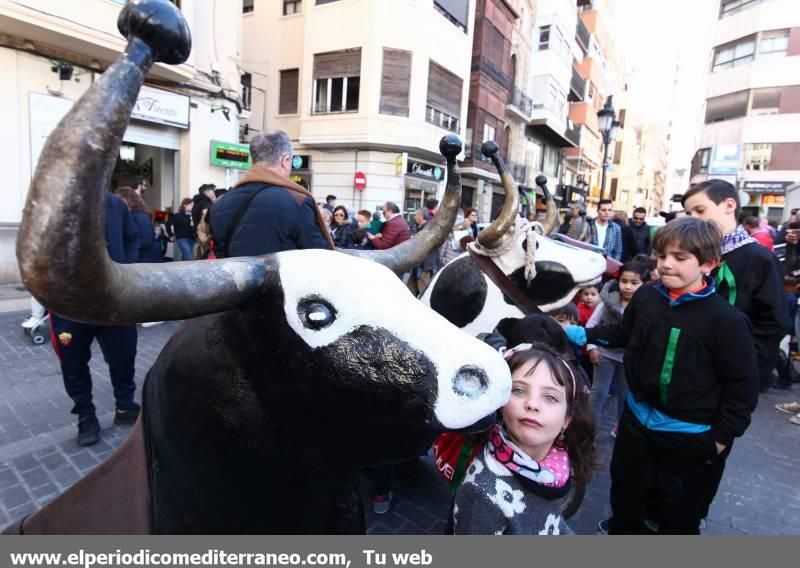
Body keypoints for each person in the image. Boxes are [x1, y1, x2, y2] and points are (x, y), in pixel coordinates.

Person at [564, 217, 759, 534]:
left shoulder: (727, 321)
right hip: (636, 425)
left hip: (690, 437)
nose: (666, 265)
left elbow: (742, 389)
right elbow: (624, 333)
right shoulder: (647, 297)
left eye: (680, 258)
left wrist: (719, 440)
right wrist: (579, 335)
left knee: (676, 518)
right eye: (663, 255)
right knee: (625, 502)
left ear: (709, 263)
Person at [450, 343, 595, 534]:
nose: (532, 404)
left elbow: (551, 521)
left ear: (566, 420)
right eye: (518, 390)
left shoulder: (555, 468)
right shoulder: (481, 492)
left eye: (550, 397)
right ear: (500, 402)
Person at [50, 192, 141, 447]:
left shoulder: (115, 204)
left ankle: (124, 406)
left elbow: (132, 237)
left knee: (124, 356)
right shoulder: (56, 202)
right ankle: (85, 416)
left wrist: (126, 269)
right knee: (74, 364)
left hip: (113, 301)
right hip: (71, 303)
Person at [682, 180, 788, 394]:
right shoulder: (693, 256)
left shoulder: (759, 259)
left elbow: (773, 323)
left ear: (729, 206)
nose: (694, 219)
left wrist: (741, 368)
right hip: (688, 369)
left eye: (700, 210)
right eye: (688, 213)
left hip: (728, 376)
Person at [209, 130, 334, 257]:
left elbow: (221, 256)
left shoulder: (219, 205)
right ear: (285, 161)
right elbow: (320, 256)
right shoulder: (297, 200)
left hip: (237, 277)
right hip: (279, 277)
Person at [586, 261, 647, 436]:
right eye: (624, 281)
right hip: (605, 354)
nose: (628, 287)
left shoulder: (645, 305)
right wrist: (592, 347)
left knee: (625, 394)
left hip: (629, 359)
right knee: (599, 391)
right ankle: (589, 427)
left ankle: (621, 426)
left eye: (634, 283)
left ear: (644, 284)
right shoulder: (608, 301)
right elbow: (592, 324)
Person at [116, 187, 164, 264]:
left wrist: (125, 245)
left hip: (146, 260)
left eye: (119, 199)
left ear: (128, 200)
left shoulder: (140, 216)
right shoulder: (128, 216)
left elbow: (146, 241)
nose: (116, 202)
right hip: (140, 259)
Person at [407, 209, 440, 296]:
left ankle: (426, 308)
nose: (414, 217)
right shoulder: (423, 227)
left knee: (424, 291)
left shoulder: (427, 228)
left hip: (424, 265)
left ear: (421, 216)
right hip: (418, 264)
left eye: (415, 215)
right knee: (410, 290)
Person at [192, 183, 216, 259]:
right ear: (207, 192)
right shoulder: (206, 204)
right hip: (205, 237)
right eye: (213, 191)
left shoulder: (196, 204)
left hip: (198, 236)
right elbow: (208, 221)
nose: (213, 194)